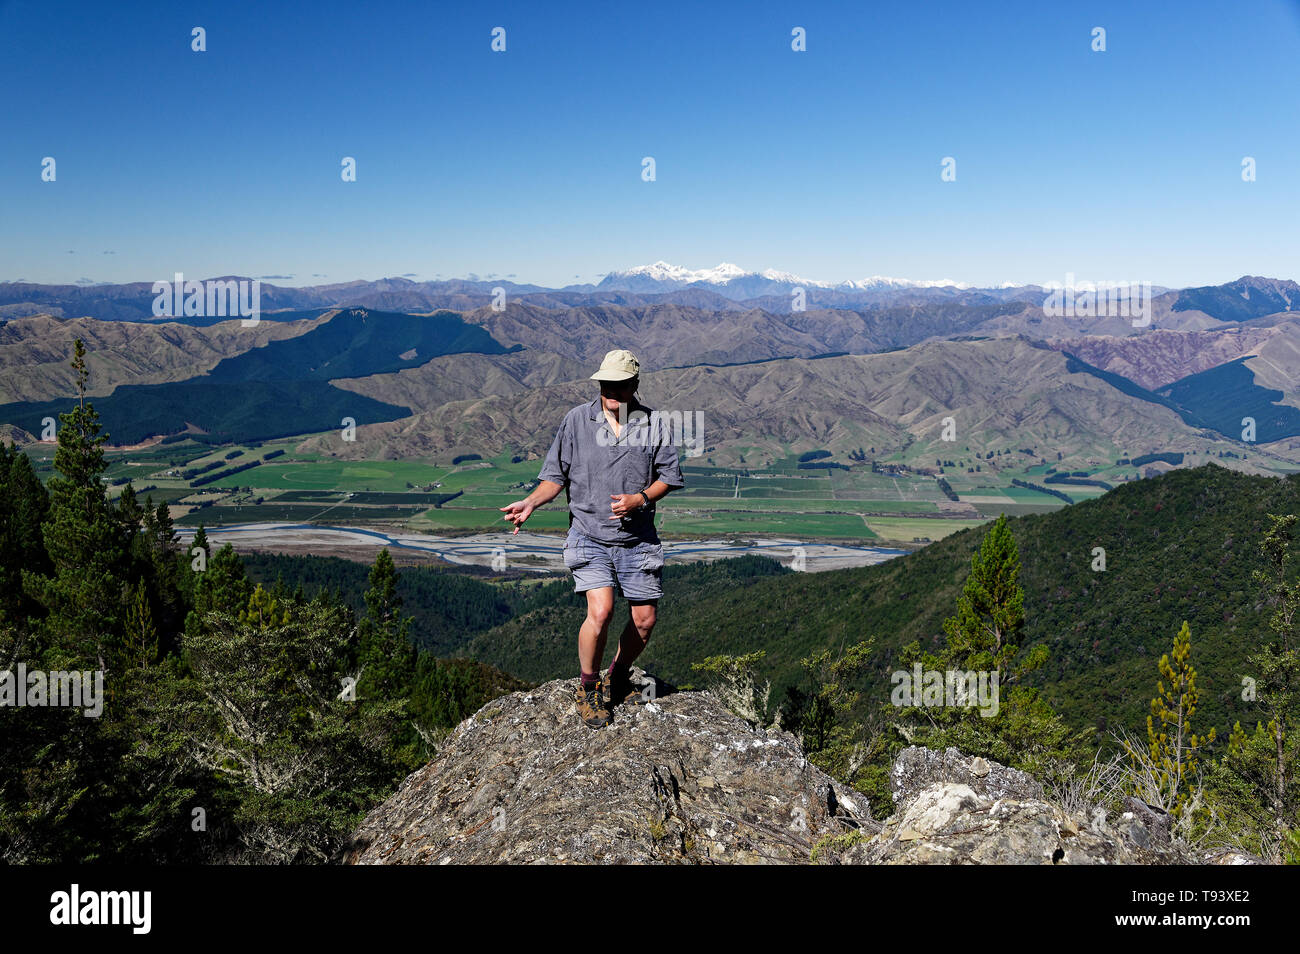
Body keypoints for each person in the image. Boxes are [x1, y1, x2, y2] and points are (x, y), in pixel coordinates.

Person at [500, 349, 683, 728]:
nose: (611, 392)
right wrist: (531, 503)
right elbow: (555, 477)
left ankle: (617, 677)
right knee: (600, 612)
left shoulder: (654, 423)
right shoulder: (576, 421)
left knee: (645, 620)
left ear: (635, 385)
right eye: (605, 385)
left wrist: (641, 498)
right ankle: (588, 687)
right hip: (589, 534)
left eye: (619, 385)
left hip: (638, 538)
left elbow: (668, 476)